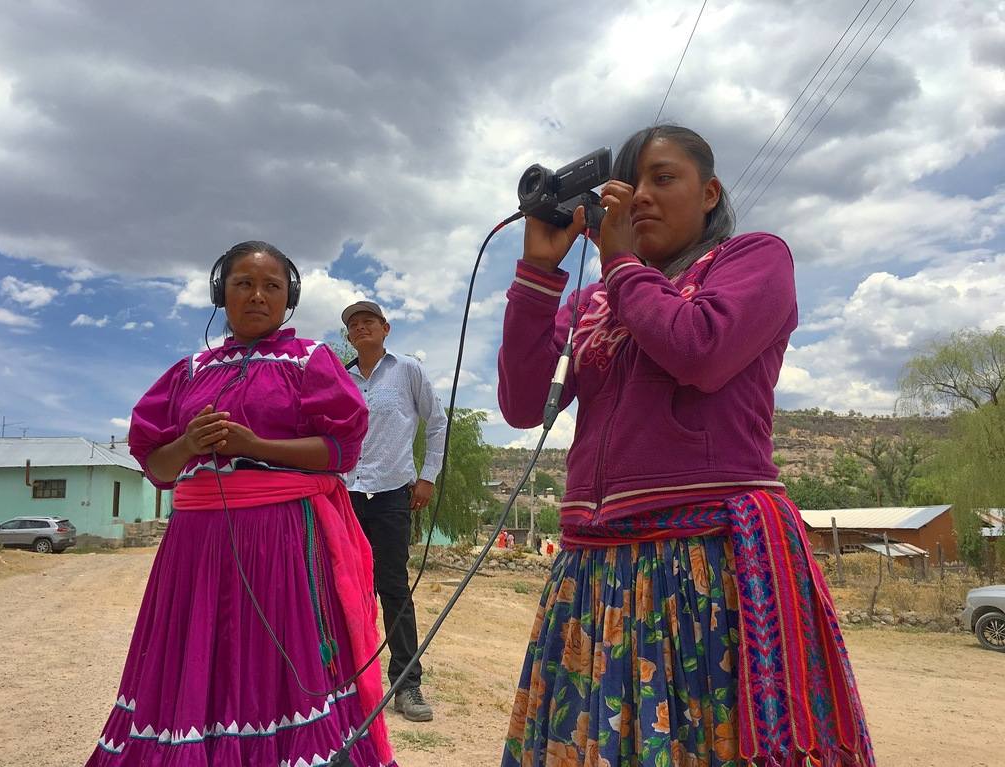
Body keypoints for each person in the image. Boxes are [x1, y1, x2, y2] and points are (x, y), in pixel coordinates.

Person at [498, 126, 875, 766]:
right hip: (596, 568)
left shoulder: (753, 259)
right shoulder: (595, 300)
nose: (639, 196)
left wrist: (620, 264)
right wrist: (538, 273)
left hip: (706, 562)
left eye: (662, 178)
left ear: (709, 192)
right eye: (629, 183)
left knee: (702, 741)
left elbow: (699, 350)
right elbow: (523, 404)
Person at [85, 241, 395, 767]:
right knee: (199, 653)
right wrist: (187, 444)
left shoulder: (309, 361)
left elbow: (340, 451)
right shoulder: (188, 371)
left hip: (280, 540)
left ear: (288, 297)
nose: (257, 296)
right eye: (242, 284)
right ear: (220, 294)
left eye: (272, 286)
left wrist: (256, 447)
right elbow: (158, 467)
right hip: (194, 547)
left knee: (273, 664)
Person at [342, 300, 448, 723]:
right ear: (349, 336)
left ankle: (407, 684)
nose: (361, 327)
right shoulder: (340, 377)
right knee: (344, 586)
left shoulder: (408, 370)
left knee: (392, 586)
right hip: (345, 493)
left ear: (386, 328)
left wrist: (428, 476)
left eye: (369, 321)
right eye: (354, 324)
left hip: (390, 494)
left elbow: (436, 421)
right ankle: (345, 681)